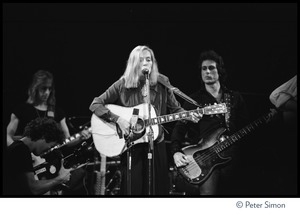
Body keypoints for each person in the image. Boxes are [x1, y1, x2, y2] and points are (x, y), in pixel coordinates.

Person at [89, 45, 200, 195]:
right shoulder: (122, 84)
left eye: (149, 59)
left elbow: (176, 109)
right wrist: (118, 119)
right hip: (131, 146)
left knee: (157, 190)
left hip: (157, 143)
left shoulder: (162, 82)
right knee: (133, 190)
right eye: (141, 60)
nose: (146, 63)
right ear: (134, 63)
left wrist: (188, 115)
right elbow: (95, 104)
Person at [171, 50, 249, 195]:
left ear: (219, 70)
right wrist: (175, 152)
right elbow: (179, 127)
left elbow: (245, 126)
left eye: (211, 68)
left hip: (234, 159)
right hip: (206, 161)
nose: (207, 71)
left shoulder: (234, 97)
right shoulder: (193, 101)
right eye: (204, 68)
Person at [6, 70, 90, 147]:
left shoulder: (58, 112)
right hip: (25, 159)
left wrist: (81, 137)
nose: (47, 92)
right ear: (35, 88)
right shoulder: (21, 110)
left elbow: (66, 141)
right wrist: (18, 152)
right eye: (43, 88)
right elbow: (7, 136)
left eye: (49, 89)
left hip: (51, 161)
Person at [3, 117, 72, 195]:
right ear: (43, 137)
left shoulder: (18, 148)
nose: (49, 149)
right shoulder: (21, 150)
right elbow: (33, 189)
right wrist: (60, 179)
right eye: (51, 145)